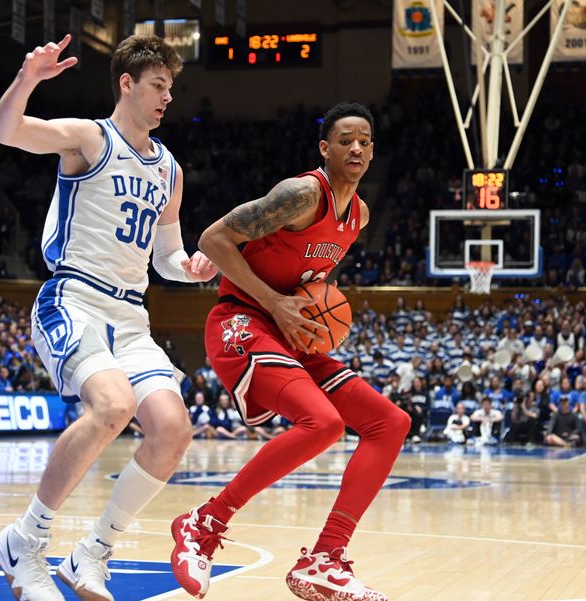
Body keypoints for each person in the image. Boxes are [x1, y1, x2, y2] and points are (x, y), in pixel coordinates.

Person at [0, 34, 217, 601]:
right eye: (158, 85)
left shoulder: (170, 169)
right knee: (112, 407)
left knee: (171, 430)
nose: (167, 97)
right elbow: (5, 131)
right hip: (74, 298)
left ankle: (92, 552)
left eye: (172, 87)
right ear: (127, 83)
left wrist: (192, 268)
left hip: (131, 316)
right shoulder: (91, 138)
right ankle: (27, 541)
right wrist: (28, 79)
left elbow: (166, 256)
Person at [170, 102, 408, 601]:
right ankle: (203, 524)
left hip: (289, 329)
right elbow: (214, 239)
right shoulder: (301, 195)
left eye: (365, 140)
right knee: (323, 423)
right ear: (326, 148)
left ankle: (324, 559)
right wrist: (277, 304)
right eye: (346, 140)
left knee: (390, 423)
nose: (357, 148)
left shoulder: (358, 215)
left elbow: (309, 278)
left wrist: (311, 315)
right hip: (241, 319)